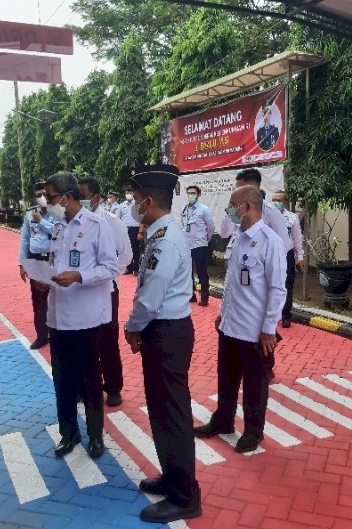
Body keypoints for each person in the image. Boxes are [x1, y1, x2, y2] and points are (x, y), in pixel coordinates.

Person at [123, 164, 201, 524]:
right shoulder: (159, 233)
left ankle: (185, 496)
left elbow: (150, 296)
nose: (134, 204)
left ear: (149, 200)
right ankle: (172, 478)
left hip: (166, 332)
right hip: (164, 330)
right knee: (162, 411)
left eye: (137, 198)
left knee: (173, 415)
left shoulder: (165, 239)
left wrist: (132, 327)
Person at [194, 185, 286, 453]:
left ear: (247, 207)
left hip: (255, 330)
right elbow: (233, 282)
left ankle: (254, 431)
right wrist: (222, 313)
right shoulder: (236, 237)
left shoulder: (270, 242)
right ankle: (223, 421)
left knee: (255, 383)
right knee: (227, 377)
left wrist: (269, 328)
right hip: (230, 325)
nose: (229, 210)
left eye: (232, 205)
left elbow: (277, 289)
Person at [44, 172, 118, 459]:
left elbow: (111, 268)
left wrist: (79, 276)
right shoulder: (57, 227)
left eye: (50, 197)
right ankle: (68, 433)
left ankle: (96, 436)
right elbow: (54, 262)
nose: (47, 202)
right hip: (58, 317)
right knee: (62, 380)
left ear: (67, 197)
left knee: (89, 380)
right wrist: (44, 276)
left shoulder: (97, 225)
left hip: (87, 319)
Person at [220, 168, 291, 380]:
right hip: (240, 281)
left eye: (239, 186)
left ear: (253, 187)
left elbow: (283, 245)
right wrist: (230, 213)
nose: (235, 191)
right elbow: (225, 233)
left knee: (263, 340)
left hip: (263, 275)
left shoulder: (271, 214)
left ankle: (267, 365)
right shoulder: (237, 216)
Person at [79, 177, 132, 407]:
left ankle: (113, 387)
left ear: (97, 198)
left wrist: (105, 274)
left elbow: (126, 256)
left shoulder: (112, 222)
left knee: (107, 339)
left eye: (83, 196)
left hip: (105, 291)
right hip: (79, 291)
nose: (79, 201)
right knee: (83, 340)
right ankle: (87, 386)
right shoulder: (73, 221)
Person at [18, 182, 54, 349]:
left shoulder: (59, 212)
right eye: (38, 195)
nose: (42, 198)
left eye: (44, 194)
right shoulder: (29, 214)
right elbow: (25, 239)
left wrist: (42, 222)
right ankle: (42, 335)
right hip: (34, 260)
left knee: (55, 297)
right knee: (38, 299)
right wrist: (22, 264)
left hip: (53, 259)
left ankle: (57, 334)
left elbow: (59, 234)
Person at [271, 190, 304, 328]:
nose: (276, 203)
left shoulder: (292, 218)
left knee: (287, 285)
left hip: (287, 254)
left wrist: (300, 257)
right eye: (274, 200)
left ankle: (286, 316)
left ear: (285, 202)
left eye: (279, 200)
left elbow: (297, 239)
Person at [181, 185, 214, 306]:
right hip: (187, 245)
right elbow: (184, 226)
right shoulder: (184, 209)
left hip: (199, 245)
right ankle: (191, 295)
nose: (191, 195)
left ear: (198, 194)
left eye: (193, 193)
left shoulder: (203, 209)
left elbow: (210, 227)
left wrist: (205, 240)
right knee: (187, 272)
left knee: (201, 272)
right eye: (189, 193)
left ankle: (204, 298)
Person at [117, 186, 141, 274]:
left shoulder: (137, 205)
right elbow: (117, 218)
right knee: (126, 249)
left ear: (133, 194)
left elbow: (142, 219)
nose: (129, 195)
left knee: (135, 249)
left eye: (130, 193)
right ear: (125, 194)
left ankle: (136, 268)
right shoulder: (121, 205)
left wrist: (140, 232)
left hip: (135, 229)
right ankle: (129, 268)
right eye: (127, 193)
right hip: (124, 229)